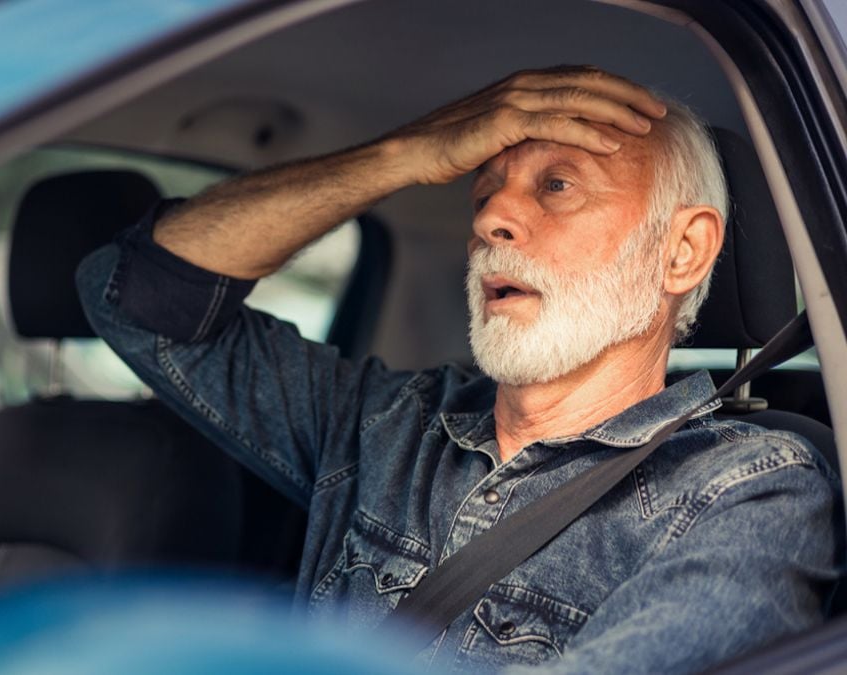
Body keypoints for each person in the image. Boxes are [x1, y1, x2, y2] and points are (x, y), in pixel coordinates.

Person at [76, 66, 841, 673]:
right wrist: (402, 154)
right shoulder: (385, 423)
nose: (489, 220)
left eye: (557, 185)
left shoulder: (750, 492)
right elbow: (132, 295)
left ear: (681, 252)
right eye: (482, 193)